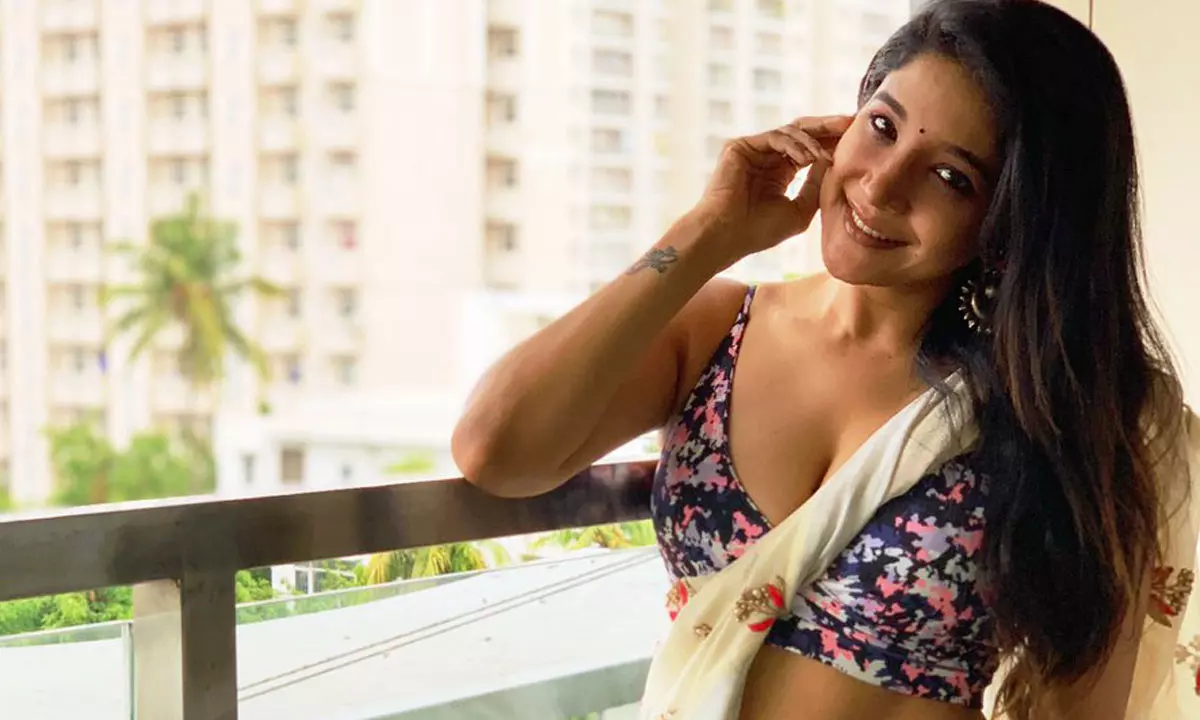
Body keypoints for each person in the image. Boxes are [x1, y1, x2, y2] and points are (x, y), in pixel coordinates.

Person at [451, 1, 1200, 718]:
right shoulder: (719, 328)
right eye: (882, 127)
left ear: (1015, 219)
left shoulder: (1061, 406)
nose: (881, 184)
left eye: (951, 177)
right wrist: (710, 230)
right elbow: (498, 450)